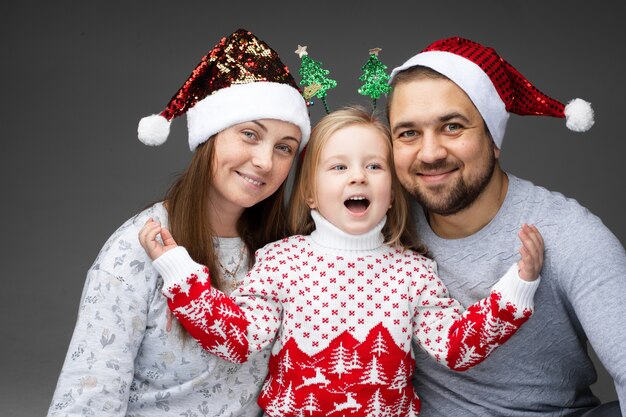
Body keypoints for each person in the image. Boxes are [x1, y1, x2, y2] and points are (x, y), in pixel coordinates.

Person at [139, 105, 544, 416]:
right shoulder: (282, 262)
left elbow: (457, 347)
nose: (358, 177)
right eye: (338, 167)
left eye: (374, 165)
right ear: (311, 193)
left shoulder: (413, 273)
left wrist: (518, 284)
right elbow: (235, 340)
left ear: (392, 189)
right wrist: (178, 269)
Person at [46, 28, 311, 417]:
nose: (265, 162)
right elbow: (89, 399)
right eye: (249, 134)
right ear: (210, 136)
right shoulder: (140, 248)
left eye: (284, 147)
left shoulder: (284, 253)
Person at [387, 36, 625, 416]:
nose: (430, 153)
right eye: (409, 133)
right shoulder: (381, 228)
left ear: (493, 138)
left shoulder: (569, 234)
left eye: (452, 126)